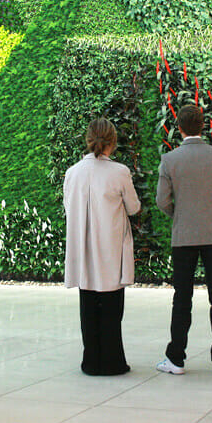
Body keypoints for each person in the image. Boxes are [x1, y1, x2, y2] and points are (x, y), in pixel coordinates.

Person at [155, 104, 212, 376]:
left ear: (178, 127)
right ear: (204, 125)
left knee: (182, 298)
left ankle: (176, 358)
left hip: (184, 236)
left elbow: (161, 201)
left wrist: (181, 213)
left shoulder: (170, 160)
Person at [64, 118, 141, 376]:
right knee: (111, 308)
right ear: (113, 141)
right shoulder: (119, 172)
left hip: (83, 250)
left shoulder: (72, 172)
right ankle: (112, 361)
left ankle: (91, 361)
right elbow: (134, 207)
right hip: (110, 248)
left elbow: (68, 207)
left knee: (87, 307)